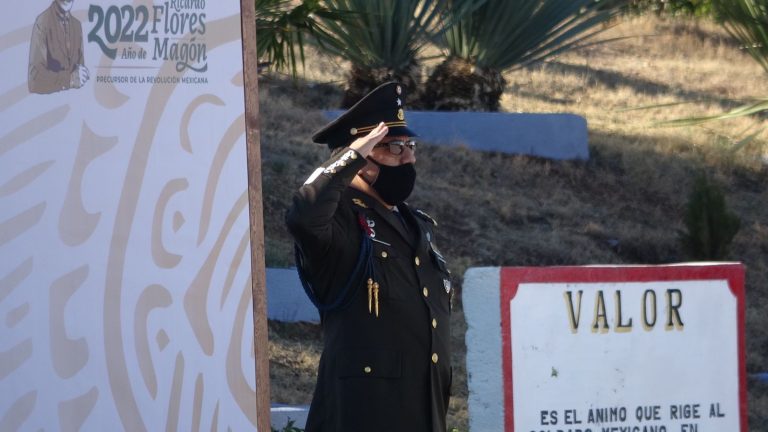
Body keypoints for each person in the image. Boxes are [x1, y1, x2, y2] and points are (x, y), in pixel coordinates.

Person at [286, 82, 453, 432]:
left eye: (411, 147)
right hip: (361, 415)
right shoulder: (339, 219)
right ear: (361, 159)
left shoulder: (415, 224)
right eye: (393, 148)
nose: (408, 158)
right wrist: (350, 156)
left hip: (421, 414)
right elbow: (303, 213)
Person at [28, 0, 89, 94]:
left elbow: (80, 72)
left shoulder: (77, 25)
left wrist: (83, 75)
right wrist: (69, 79)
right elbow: (35, 80)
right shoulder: (42, 21)